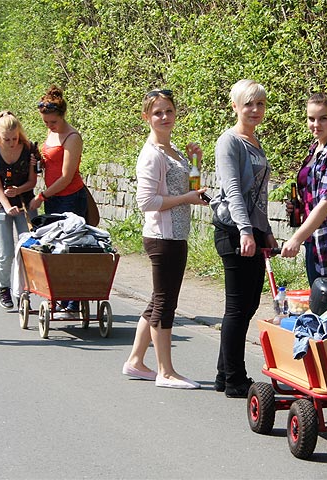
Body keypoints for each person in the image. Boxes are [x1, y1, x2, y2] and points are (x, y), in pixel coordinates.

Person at [121, 89, 208, 389]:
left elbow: (194, 189)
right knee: (165, 304)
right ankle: (165, 371)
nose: (164, 117)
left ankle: (135, 361)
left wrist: (195, 160)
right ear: (147, 117)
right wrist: (185, 197)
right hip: (162, 236)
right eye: (157, 112)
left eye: (168, 111)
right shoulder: (151, 155)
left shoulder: (174, 152)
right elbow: (146, 201)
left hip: (176, 234)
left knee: (158, 299)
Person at [210, 79, 278, 398]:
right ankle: (236, 378)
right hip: (233, 231)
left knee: (249, 303)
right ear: (235, 106)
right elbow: (234, 189)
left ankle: (225, 373)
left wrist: (266, 232)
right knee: (237, 306)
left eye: (260, 104)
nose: (255, 109)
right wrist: (246, 231)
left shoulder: (255, 140)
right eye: (248, 104)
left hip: (252, 231)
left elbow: (259, 195)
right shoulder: (230, 142)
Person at [280, 92, 327, 286]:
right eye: (311, 119)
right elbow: (313, 196)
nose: (316, 124)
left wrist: (296, 239)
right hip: (314, 240)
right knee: (319, 301)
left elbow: (326, 203)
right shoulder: (315, 149)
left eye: (323, 118)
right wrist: (298, 206)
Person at [28, 85, 87, 315]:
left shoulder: (72, 137)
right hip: (53, 197)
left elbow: (66, 176)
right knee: (54, 248)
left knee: (71, 248)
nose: (50, 126)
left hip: (70, 198)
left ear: (62, 116)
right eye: (46, 123)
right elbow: (51, 164)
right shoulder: (52, 132)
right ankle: (59, 296)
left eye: (53, 122)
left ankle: (72, 302)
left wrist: (41, 196)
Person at [0, 111, 39, 310]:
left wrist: (19, 190)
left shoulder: (28, 149)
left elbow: (32, 181)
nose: (11, 143)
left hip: (25, 202)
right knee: (7, 252)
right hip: (2, 205)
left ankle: (23, 291)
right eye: (6, 139)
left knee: (27, 249)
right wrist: (7, 207)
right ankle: (4, 287)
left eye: (14, 138)